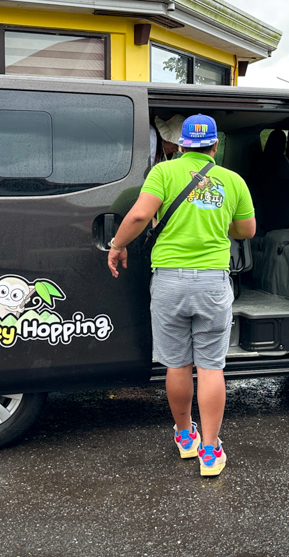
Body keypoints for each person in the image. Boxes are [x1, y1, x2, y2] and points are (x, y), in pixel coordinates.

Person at [106, 114, 255, 477]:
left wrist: (117, 245)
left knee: (177, 364)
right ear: (215, 147)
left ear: (181, 144)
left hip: (170, 281)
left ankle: (185, 437)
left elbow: (140, 215)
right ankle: (210, 451)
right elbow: (246, 230)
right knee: (210, 367)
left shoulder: (163, 172)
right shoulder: (232, 180)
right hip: (212, 284)